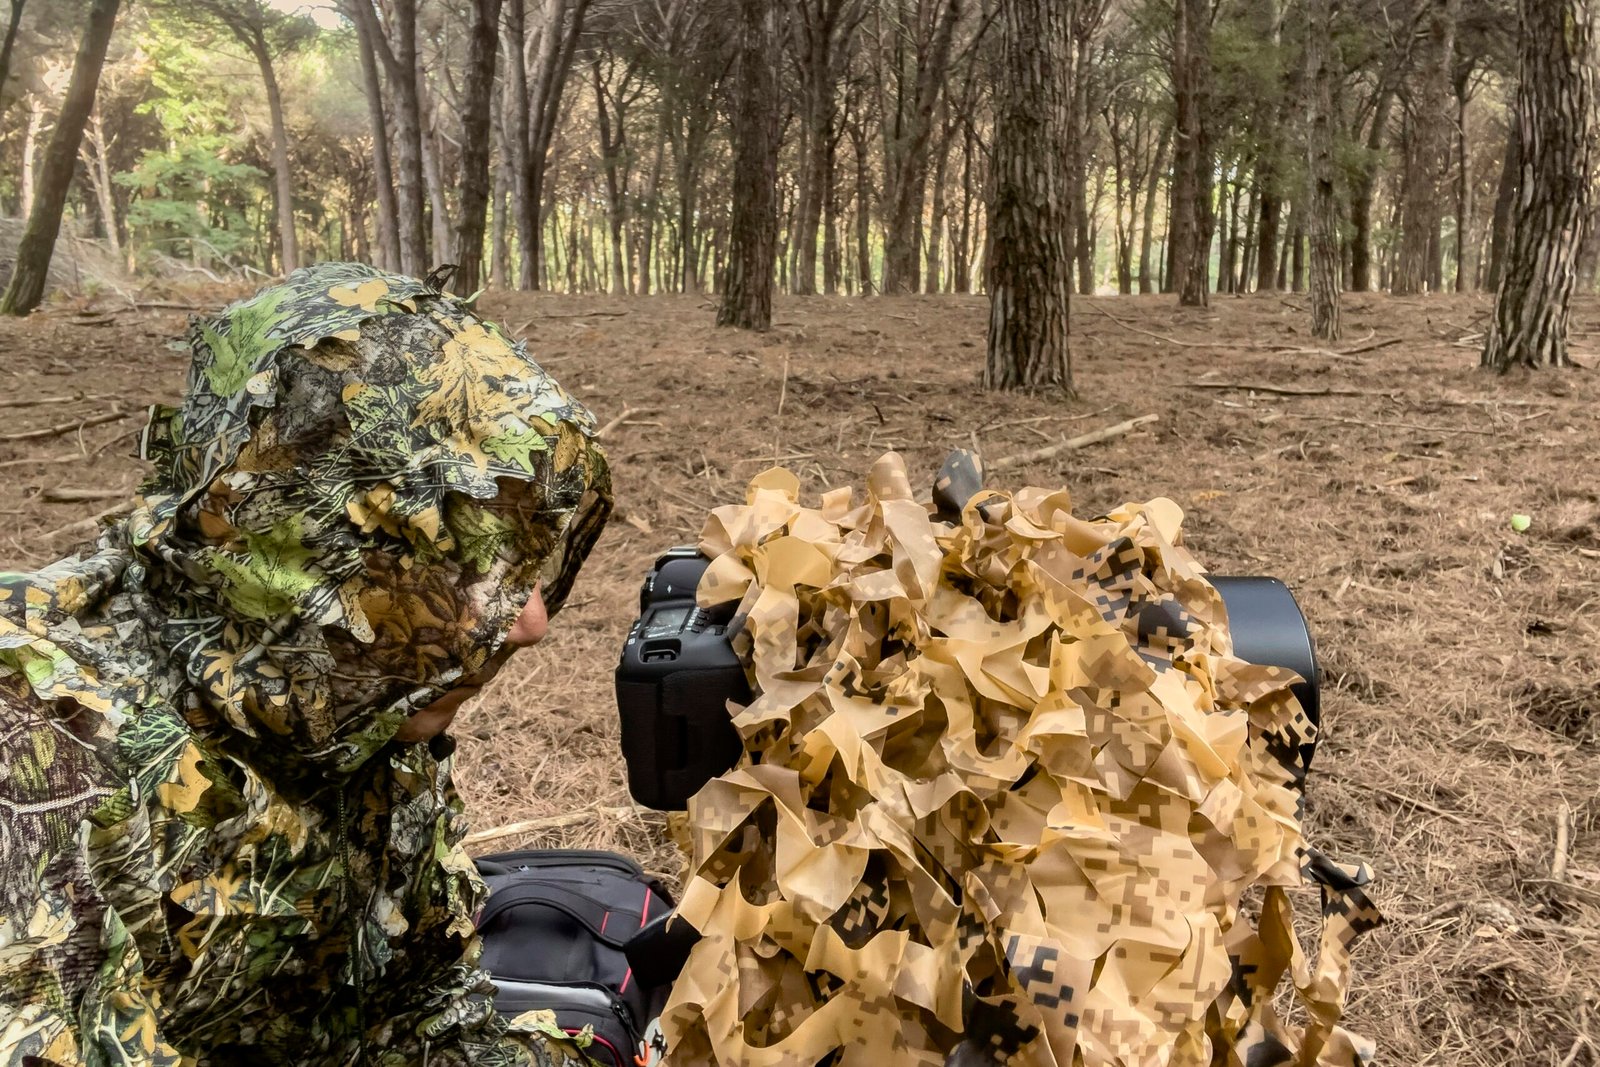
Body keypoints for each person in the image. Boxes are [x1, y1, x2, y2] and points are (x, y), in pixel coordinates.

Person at [0, 263, 612, 1066]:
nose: (529, 623)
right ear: (295, 561)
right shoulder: (41, 759)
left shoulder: (345, 704)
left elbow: (419, 1017)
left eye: (521, 564)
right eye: (454, 565)